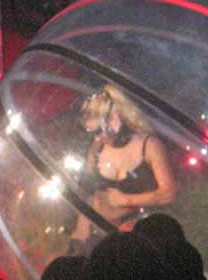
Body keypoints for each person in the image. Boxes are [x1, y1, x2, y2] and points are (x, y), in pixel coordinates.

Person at [71, 84, 176, 246]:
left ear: (114, 120)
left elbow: (168, 193)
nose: (96, 138)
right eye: (91, 133)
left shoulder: (149, 146)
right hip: (96, 234)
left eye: (98, 131)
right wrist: (80, 233)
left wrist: (126, 200)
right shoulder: (96, 148)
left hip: (134, 238)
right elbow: (88, 193)